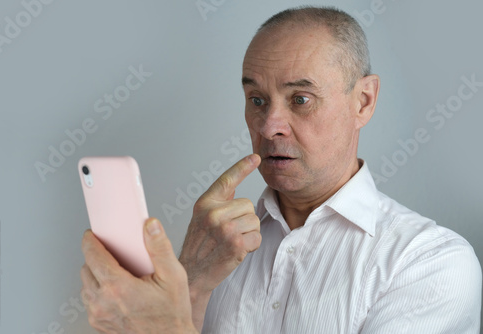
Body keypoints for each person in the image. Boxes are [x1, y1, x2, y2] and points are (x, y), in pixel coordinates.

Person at [81, 6, 482, 333]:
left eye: (301, 99)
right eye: (256, 99)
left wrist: (164, 329)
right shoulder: (214, 249)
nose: (269, 124)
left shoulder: (430, 264)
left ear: (363, 101)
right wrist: (192, 282)